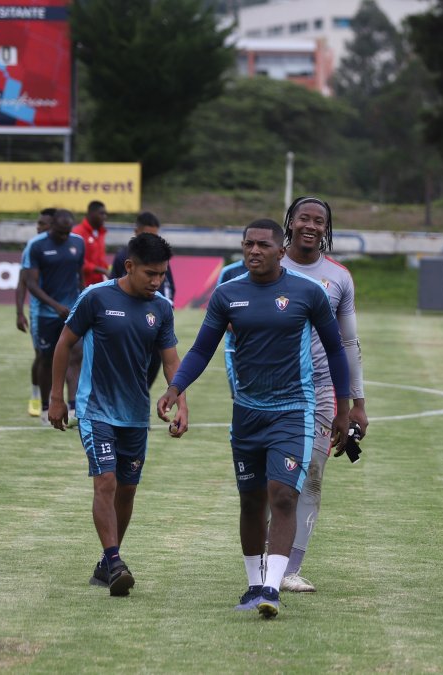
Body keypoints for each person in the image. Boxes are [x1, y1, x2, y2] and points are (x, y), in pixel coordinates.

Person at [157, 219, 351, 620]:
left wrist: (344, 407)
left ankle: (272, 588)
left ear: (281, 251)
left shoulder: (307, 293)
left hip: (293, 412)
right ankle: (253, 585)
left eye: (263, 245)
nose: (254, 251)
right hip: (246, 413)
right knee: (251, 501)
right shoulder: (227, 293)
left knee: (283, 495)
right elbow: (202, 349)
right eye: (248, 244)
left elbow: (335, 349)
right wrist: (175, 388)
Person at [47, 233, 189, 596]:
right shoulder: (96, 297)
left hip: (136, 414)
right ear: (129, 266)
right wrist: (56, 397)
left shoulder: (162, 308)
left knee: (127, 490)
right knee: (106, 482)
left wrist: (181, 402)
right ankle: (115, 562)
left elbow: (171, 361)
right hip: (95, 409)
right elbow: (64, 343)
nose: (157, 281)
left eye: (162, 274)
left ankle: (106, 563)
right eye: (150, 273)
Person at [278, 196, 368, 593]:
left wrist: (357, 404)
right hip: (274, 388)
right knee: (274, 480)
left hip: (322, 390)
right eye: (304, 218)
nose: (311, 226)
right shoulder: (270, 265)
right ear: (290, 222)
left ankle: (288, 569)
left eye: (320, 221)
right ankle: (265, 560)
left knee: (311, 476)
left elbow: (349, 343)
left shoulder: (339, 277)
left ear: (326, 229)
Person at [23, 209, 85, 424]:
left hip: (72, 311)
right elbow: (31, 284)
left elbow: (79, 276)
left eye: (67, 232)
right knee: (46, 359)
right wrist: (55, 305)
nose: (63, 236)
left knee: (76, 356)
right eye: (59, 232)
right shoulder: (36, 246)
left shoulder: (78, 243)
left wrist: (84, 300)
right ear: (51, 227)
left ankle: (74, 408)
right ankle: (45, 407)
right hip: (46, 314)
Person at [110, 211, 177, 387]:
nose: (156, 280)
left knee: (153, 366)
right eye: (147, 234)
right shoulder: (123, 256)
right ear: (136, 231)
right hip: (127, 320)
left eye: (155, 235)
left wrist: (167, 308)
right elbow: (113, 285)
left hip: (153, 318)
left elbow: (170, 286)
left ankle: (142, 395)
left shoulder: (161, 258)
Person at [16, 208, 55, 417]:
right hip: (40, 312)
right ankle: (36, 396)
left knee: (67, 356)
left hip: (64, 311)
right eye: (38, 223)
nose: (38, 227)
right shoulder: (33, 247)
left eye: (43, 223)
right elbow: (23, 282)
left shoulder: (68, 244)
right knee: (41, 355)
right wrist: (19, 312)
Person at [217, 259, 249, 396]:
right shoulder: (228, 272)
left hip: (264, 348)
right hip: (234, 347)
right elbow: (218, 309)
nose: (255, 250)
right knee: (238, 396)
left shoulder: (274, 273)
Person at [73, 200, 110, 287]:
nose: (104, 217)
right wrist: (100, 270)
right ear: (91, 213)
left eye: (105, 214)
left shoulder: (100, 232)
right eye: (101, 214)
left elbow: (101, 258)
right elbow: (77, 260)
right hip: (83, 284)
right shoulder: (78, 232)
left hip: (99, 284)